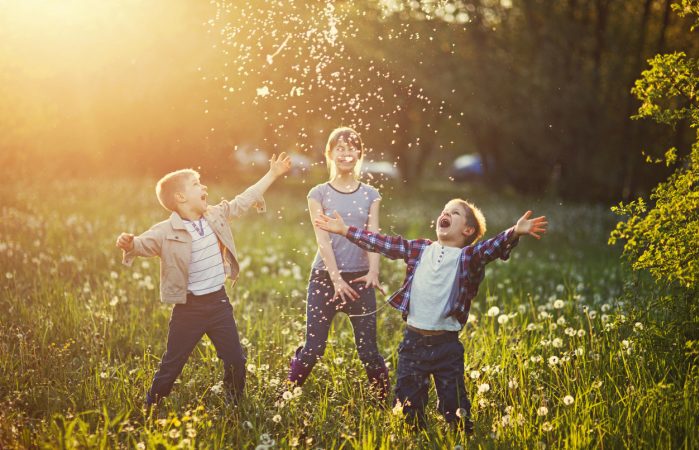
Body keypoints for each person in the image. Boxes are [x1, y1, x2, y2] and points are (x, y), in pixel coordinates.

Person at [314, 199, 547, 430]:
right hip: (413, 343)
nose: (445, 214)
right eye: (444, 210)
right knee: (408, 407)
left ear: (468, 230)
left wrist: (515, 232)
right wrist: (345, 230)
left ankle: (461, 436)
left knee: (455, 407)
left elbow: (490, 248)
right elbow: (384, 244)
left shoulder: (468, 257)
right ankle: (415, 435)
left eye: (454, 213)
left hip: (447, 346)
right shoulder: (419, 249)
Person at [116, 153, 291, 409]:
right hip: (189, 309)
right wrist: (129, 243)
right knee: (173, 362)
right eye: (197, 184)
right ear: (180, 197)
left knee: (235, 360)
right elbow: (143, 244)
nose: (204, 187)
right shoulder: (166, 231)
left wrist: (272, 174)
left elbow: (245, 199)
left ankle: (234, 403)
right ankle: (151, 404)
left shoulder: (215, 215)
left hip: (218, 303)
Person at [287, 127, 390, 400]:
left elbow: (373, 235)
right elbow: (323, 239)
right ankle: (286, 393)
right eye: (340, 148)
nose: (346, 153)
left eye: (351, 147)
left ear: (359, 153)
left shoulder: (371, 194)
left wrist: (374, 271)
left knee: (368, 351)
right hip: (325, 278)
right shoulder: (318, 193)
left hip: (360, 279)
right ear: (330, 154)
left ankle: (387, 405)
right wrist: (336, 279)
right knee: (314, 349)